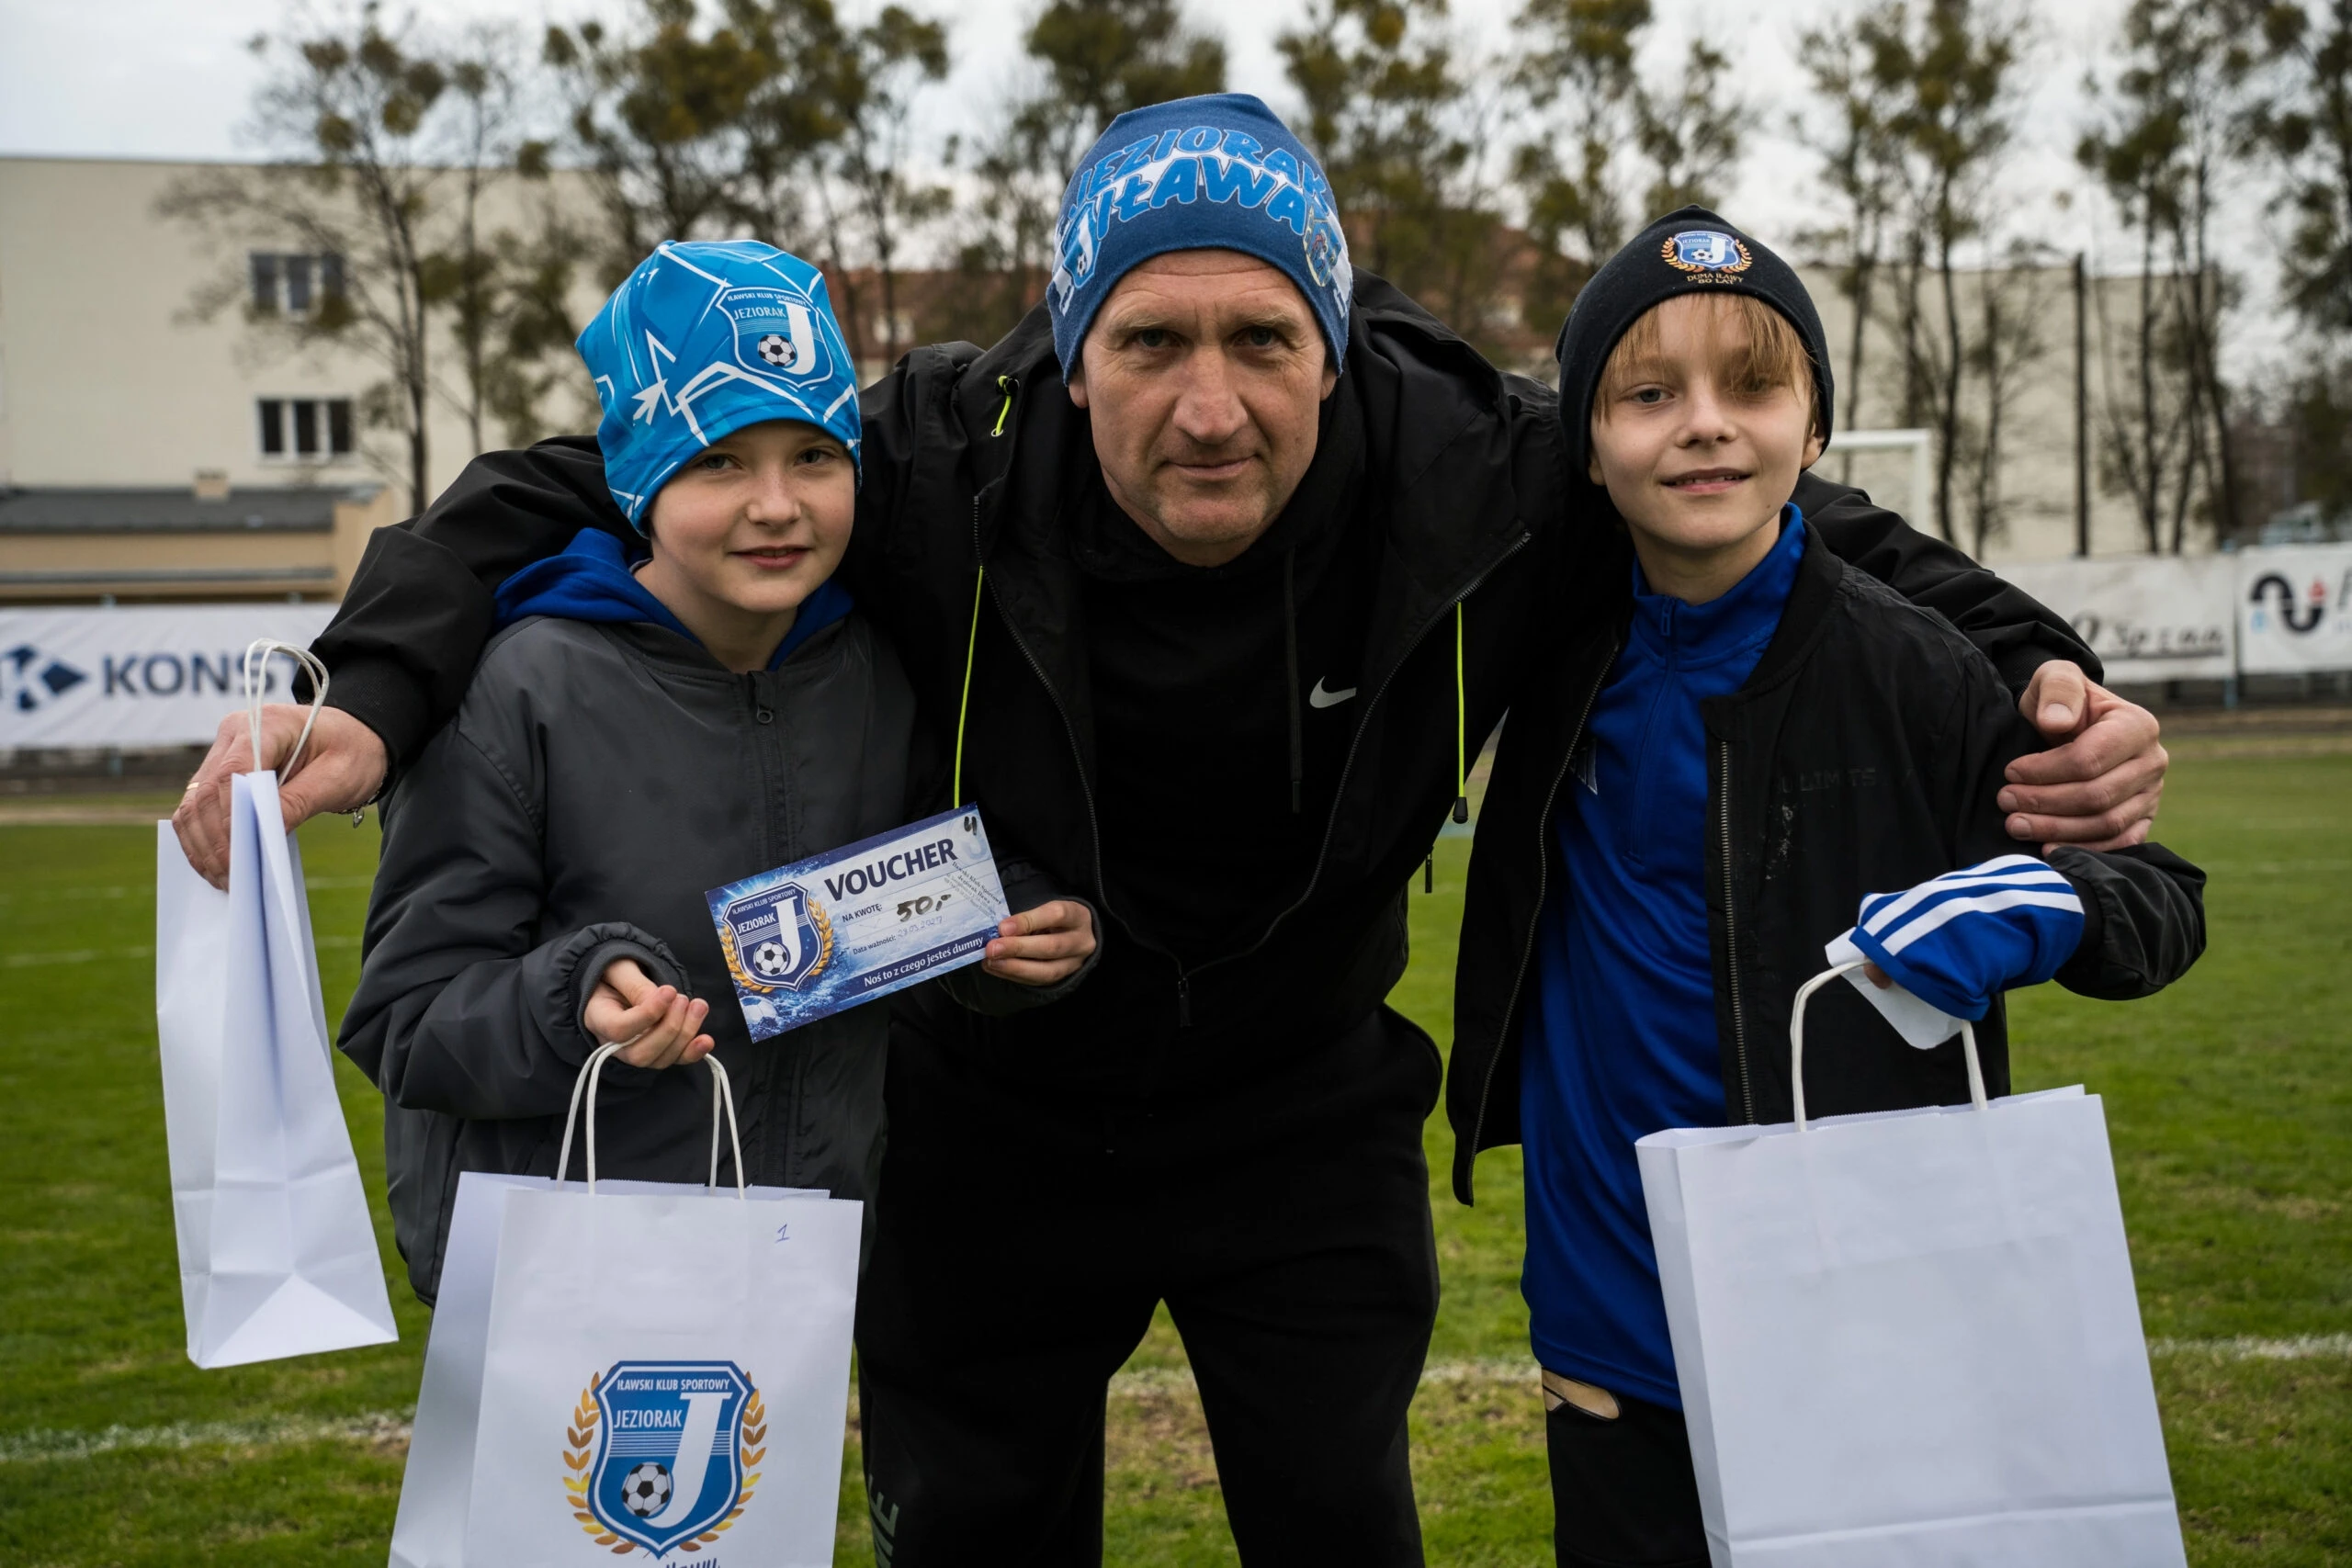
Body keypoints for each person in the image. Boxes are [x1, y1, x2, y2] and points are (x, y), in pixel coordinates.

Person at [173, 96, 2170, 1566]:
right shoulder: (939, 451)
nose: (1208, 406)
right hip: (992, 1124)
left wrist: (2046, 674)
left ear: (1331, 342)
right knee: (979, 1530)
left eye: (1261, 342)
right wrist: (373, 684)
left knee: (1337, 1522)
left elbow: (1789, 513)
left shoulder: (1472, 463)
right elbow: (583, 474)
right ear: (1069, 351)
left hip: (1304, 1115)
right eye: (1149, 344)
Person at [1445, 209, 2208, 1567]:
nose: (1704, 424)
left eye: (1751, 386)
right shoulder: (1549, 628)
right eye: (1648, 393)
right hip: (1608, 1310)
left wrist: (2044, 909)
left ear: (1813, 430)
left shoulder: (1918, 666)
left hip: (1857, 1306)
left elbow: (2159, 894)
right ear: (1587, 445)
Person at [335, 241, 1097, 1302]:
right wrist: (573, 1004)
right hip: (559, 1282)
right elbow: (406, 1022)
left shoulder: (879, 673)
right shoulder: (520, 689)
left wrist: (1014, 926)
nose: (776, 504)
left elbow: (926, 882)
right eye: (719, 462)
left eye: (814, 456)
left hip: (791, 1269)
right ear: (638, 484)